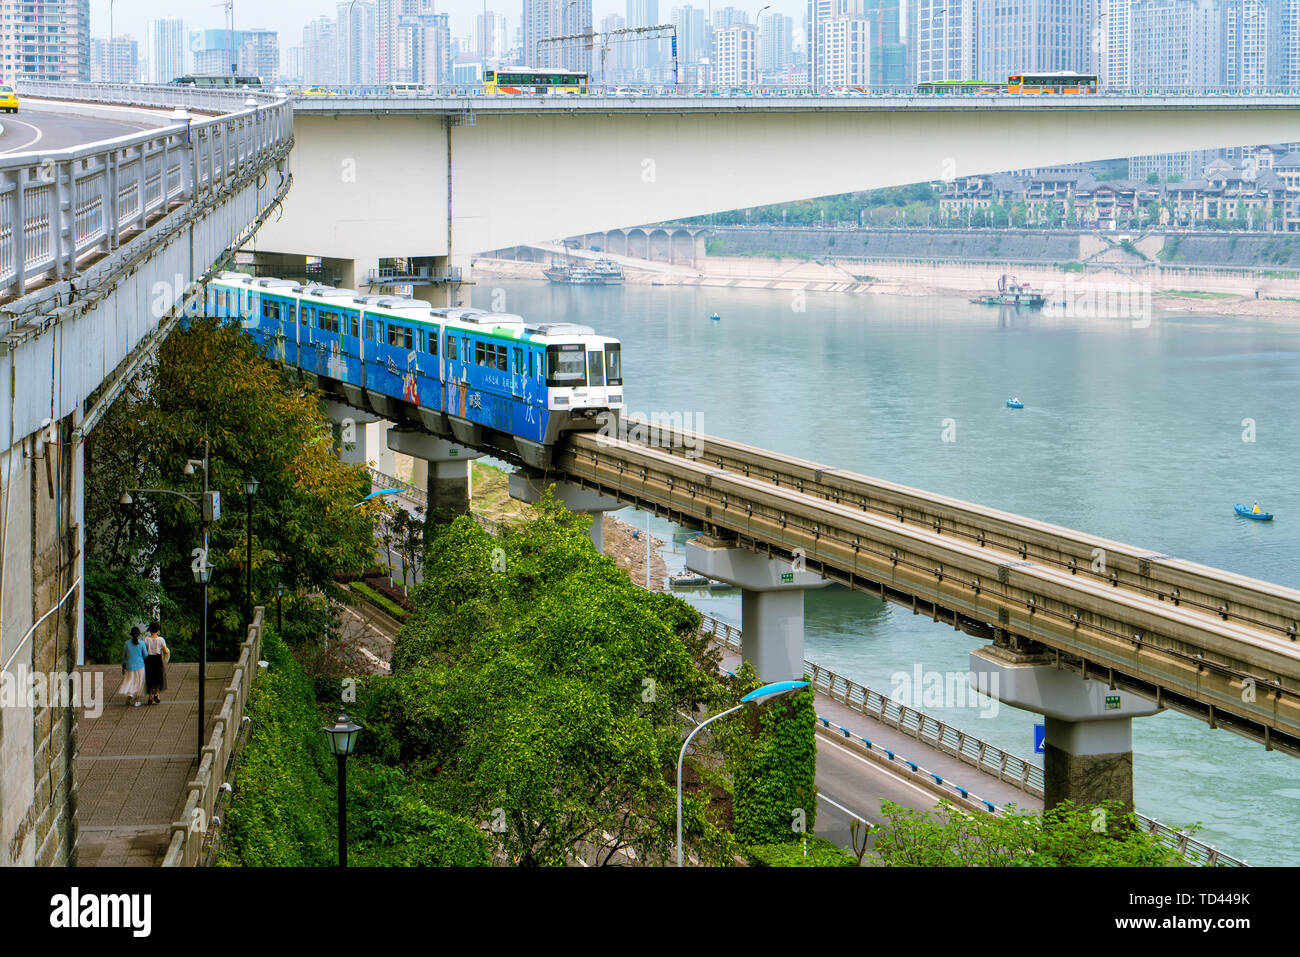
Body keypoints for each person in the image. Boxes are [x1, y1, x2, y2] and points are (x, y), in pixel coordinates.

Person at [119, 627, 147, 708]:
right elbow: (145, 655)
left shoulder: (127, 644)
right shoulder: (142, 643)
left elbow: (124, 656)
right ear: (139, 634)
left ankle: (130, 695)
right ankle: (137, 701)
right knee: (139, 683)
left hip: (129, 666)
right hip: (140, 666)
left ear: (131, 634)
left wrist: (123, 666)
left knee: (130, 681)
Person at [143, 622, 170, 706]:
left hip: (149, 659)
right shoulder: (161, 639)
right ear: (158, 630)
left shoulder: (146, 639)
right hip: (157, 659)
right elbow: (165, 651)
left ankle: (150, 696)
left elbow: (143, 650)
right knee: (158, 676)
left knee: (149, 676)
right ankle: (156, 694)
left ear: (149, 630)